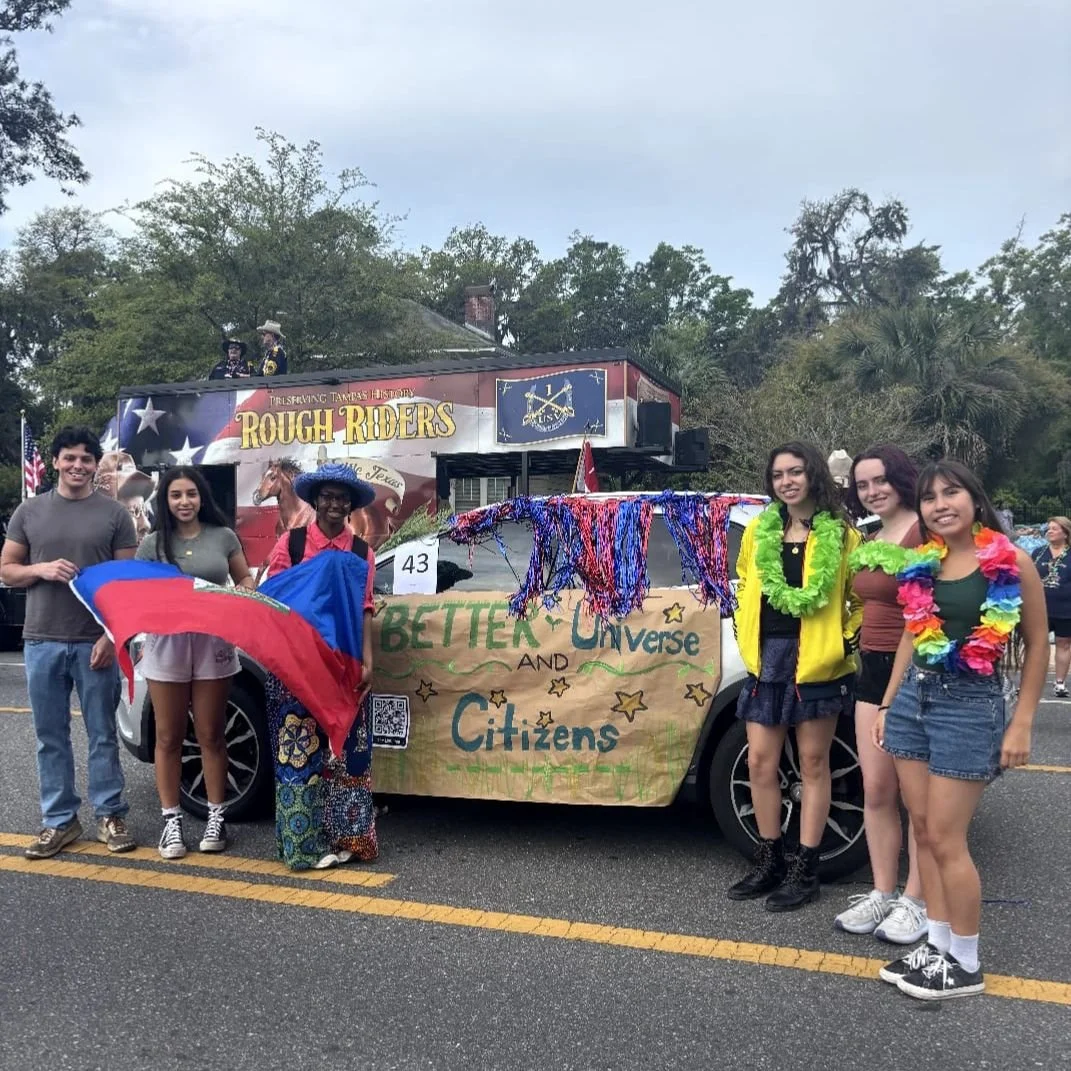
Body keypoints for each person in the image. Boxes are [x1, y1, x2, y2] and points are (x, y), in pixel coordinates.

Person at [875, 460, 1047, 1000]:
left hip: (970, 704)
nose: (940, 504)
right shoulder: (925, 562)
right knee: (923, 830)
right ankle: (938, 943)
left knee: (948, 838)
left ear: (975, 499)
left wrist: (1021, 723)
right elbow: (910, 635)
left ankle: (966, 963)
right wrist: (886, 703)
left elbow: (1039, 644)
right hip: (912, 700)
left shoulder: (1011, 561)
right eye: (930, 498)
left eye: (952, 493)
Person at [727, 441, 862, 911]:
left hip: (817, 661)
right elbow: (746, 581)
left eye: (796, 472)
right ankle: (770, 860)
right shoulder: (759, 530)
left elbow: (859, 596)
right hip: (767, 658)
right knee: (760, 763)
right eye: (779, 474)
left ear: (813, 476)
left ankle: (806, 868)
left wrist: (846, 637)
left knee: (813, 764)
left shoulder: (843, 536)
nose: (787, 481)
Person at [0, 426, 139, 858]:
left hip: (92, 643)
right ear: (55, 462)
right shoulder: (30, 511)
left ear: (96, 465)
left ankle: (109, 815)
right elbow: (7, 569)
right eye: (69, 458)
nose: (77, 465)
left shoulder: (116, 515)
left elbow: (126, 587)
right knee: (50, 736)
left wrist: (109, 636)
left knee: (101, 734)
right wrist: (39, 570)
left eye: (85, 458)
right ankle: (60, 821)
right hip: (41, 639)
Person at [136, 467, 255, 859]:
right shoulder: (153, 543)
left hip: (213, 644)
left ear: (202, 497)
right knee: (168, 736)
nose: (184, 501)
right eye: (175, 495)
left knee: (211, 734)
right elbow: (135, 593)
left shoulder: (223, 537)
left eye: (190, 494)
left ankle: (215, 817)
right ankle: (172, 822)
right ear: (165, 501)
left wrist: (232, 602)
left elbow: (246, 583)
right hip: (166, 644)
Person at [834, 445, 927, 944]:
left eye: (879, 481)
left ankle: (916, 900)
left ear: (901, 479)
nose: (871, 491)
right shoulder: (872, 534)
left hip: (913, 670)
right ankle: (883, 892)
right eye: (863, 484)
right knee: (876, 789)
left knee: (918, 797)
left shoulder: (923, 532)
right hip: (871, 667)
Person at [264, 462, 377, 869]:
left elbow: (365, 610)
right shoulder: (290, 546)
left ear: (350, 505)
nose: (334, 504)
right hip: (297, 667)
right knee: (299, 755)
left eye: (342, 498)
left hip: (344, 667)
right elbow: (274, 602)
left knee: (348, 755)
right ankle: (302, 845)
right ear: (315, 500)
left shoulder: (362, 551)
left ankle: (349, 838)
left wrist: (368, 662)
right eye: (327, 496)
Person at [1032, 516, 1071, 697]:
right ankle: (1030, 682)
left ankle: (1060, 683)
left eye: (1054, 528)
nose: (1050, 531)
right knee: (1035, 645)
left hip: (1065, 609)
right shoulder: (1038, 553)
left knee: (1064, 644)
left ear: (1065, 533)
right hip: (1040, 608)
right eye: (1049, 528)